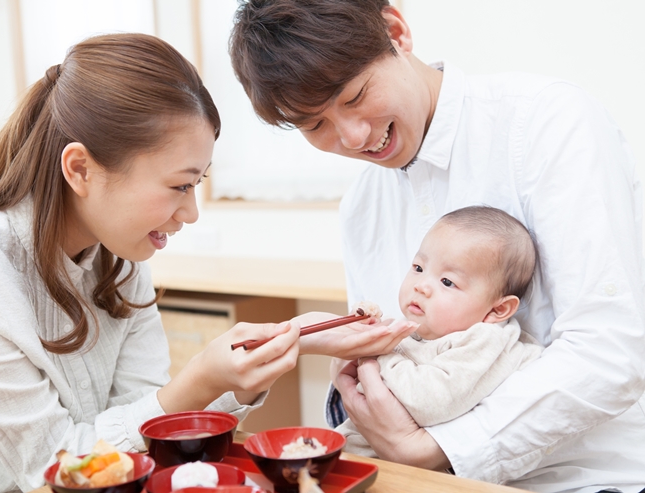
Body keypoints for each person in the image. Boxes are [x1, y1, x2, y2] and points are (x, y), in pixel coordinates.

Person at [0, 33, 404, 493]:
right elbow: (56, 470)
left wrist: (290, 339)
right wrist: (204, 379)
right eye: (179, 185)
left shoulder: (119, 256)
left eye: (198, 183)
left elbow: (139, 429)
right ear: (80, 169)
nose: (190, 213)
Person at [230, 1, 645, 492]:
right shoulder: (362, 205)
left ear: (396, 31)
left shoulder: (545, 123)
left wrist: (439, 449)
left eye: (356, 96)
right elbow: (390, 359)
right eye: (314, 126)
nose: (354, 136)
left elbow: (611, 350)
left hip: (587, 479)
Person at [336, 206, 543, 456]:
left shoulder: (483, 340)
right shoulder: (427, 325)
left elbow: (426, 402)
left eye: (447, 282)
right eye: (418, 267)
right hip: (363, 448)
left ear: (498, 310)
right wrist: (361, 338)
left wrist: (376, 353)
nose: (421, 285)